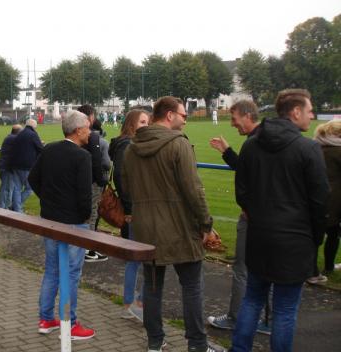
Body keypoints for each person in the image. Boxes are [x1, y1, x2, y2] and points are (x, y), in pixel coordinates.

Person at [231, 89, 329, 352]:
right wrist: (314, 238)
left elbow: (243, 191)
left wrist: (259, 217)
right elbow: (320, 202)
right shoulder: (308, 148)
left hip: (260, 237)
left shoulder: (252, 144)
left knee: (252, 300)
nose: (312, 115)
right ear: (295, 112)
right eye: (309, 110)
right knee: (284, 310)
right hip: (294, 242)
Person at [122, 96, 217, 352]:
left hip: (146, 228)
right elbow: (194, 190)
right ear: (169, 115)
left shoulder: (131, 148)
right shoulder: (178, 145)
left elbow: (128, 189)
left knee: (152, 288)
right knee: (192, 288)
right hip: (179, 227)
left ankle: (155, 342)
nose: (186, 119)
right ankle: (197, 344)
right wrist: (206, 224)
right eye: (183, 115)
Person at [28, 110, 95, 340]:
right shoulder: (82, 157)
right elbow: (85, 196)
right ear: (78, 131)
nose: (90, 131)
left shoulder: (49, 150)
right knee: (71, 273)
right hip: (73, 223)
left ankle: (46, 318)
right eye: (87, 127)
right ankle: (70, 323)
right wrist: (84, 216)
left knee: (52, 270)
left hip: (50, 219)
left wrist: (48, 201)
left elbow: (32, 179)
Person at [206, 100, 271, 335]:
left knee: (243, 268)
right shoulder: (267, 139)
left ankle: (236, 318)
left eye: (234, 119)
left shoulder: (256, 142)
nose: (232, 124)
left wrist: (250, 208)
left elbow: (251, 177)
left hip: (254, 217)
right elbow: (247, 170)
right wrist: (227, 152)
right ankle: (267, 320)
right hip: (271, 218)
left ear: (246, 115)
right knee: (267, 269)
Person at [108, 109, 150, 322]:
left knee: (137, 259)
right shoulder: (126, 146)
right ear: (132, 124)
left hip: (136, 209)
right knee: (137, 259)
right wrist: (130, 210)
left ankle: (134, 302)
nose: (146, 124)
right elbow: (123, 182)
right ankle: (131, 304)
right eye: (142, 121)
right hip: (134, 212)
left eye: (148, 121)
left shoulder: (128, 145)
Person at [77, 105, 108, 263]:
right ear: (90, 117)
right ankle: (87, 249)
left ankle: (85, 248)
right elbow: (100, 163)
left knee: (84, 213)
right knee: (91, 213)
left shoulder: (75, 136)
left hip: (80, 182)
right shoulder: (93, 138)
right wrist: (102, 180)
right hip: (92, 182)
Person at [313, 120, 341, 278]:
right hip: (334, 200)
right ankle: (328, 267)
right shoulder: (338, 151)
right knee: (332, 234)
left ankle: (312, 269)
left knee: (315, 235)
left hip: (315, 197)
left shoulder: (315, 147)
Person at [10, 118, 44, 213]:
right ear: (34, 126)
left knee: (17, 188)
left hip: (15, 164)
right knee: (29, 188)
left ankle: (17, 209)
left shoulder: (20, 133)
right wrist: (42, 144)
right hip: (26, 165)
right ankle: (16, 206)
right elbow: (40, 149)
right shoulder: (33, 134)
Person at [0, 124, 22, 210]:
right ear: (18, 132)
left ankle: (9, 207)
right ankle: (2, 210)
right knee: (6, 189)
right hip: (7, 167)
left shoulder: (9, 137)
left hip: (3, 165)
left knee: (9, 188)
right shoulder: (14, 139)